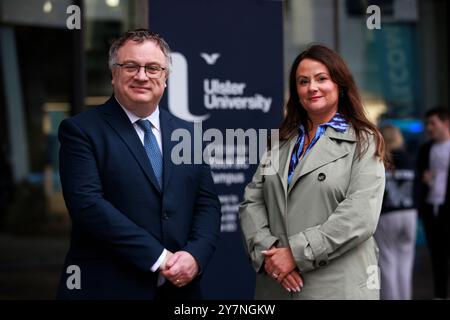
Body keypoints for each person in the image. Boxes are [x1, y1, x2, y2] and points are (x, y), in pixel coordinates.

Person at [57, 29, 221, 299]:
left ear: (165, 77)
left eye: (153, 68)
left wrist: (195, 256)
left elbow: (207, 205)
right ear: (113, 74)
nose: (142, 76)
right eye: (130, 66)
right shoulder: (81, 131)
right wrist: (160, 258)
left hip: (180, 291)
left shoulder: (188, 135)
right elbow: (87, 205)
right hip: (107, 288)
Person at [239, 44, 386, 299]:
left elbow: (360, 215)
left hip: (336, 286)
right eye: (303, 81)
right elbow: (253, 200)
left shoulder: (364, 141)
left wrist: (295, 254)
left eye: (321, 79)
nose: (312, 87)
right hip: (277, 284)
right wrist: (272, 254)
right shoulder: (281, 141)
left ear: (339, 85)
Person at [374, 125, 417, 300]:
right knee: (406, 262)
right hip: (409, 213)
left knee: (388, 260)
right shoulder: (409, 159)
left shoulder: (380, 160)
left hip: (387, 214)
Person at [415, 107, 450, 299]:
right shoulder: (425, 149)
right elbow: (418, 177)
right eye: (427, 124)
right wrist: (424, 179)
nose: (429, 128)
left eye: (433, 123)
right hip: (431, 208)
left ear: (445, 124)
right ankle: (440, 295)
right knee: (437, 256)